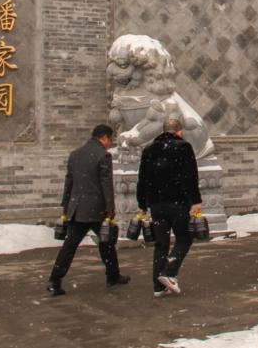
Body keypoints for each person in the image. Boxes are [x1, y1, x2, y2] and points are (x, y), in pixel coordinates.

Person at [47, 124, 130, 296]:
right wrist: (110, 209)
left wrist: (66, 207)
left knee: (69, 246)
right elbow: (106, 185)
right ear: (104, 138)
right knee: (106, 242)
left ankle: (54, 280)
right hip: (96, 210)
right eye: (109, 140)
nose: (109, 144)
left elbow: (69, 182)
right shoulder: (103, 155)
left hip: (77, 209)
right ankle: (112, 276)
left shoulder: (75, 154)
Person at [137, 116, 202, 297]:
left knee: (161, 243)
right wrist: (195, 200)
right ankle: (169, 272)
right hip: (178, 203)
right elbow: (190, 177)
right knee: (184, 238)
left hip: (156, 205)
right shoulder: (183, 147)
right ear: (179, 132)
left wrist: (142, 204)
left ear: (163, 131)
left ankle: (158, 287)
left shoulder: (149, 149)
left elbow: (142, 179)